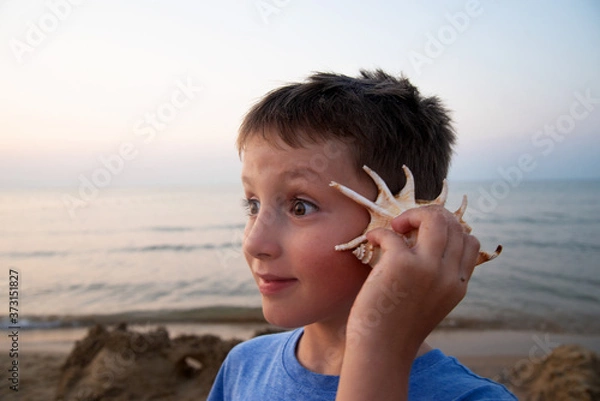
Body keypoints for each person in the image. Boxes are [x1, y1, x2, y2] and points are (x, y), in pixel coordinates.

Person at [207, 70, 516, 400]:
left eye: (300, 207)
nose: (254, 243)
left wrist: (379, 345)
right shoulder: (243, 365)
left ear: (408, 227)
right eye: (252, 205)